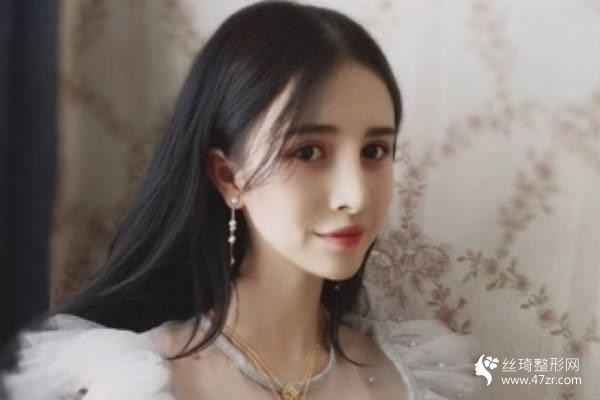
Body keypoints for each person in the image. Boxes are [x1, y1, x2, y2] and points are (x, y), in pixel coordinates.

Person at [0, 1, 484, 399]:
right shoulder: (137, 382)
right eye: (308, 152)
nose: (354, 195)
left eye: (374, 151)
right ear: (228, 176)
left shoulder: (413, 377)